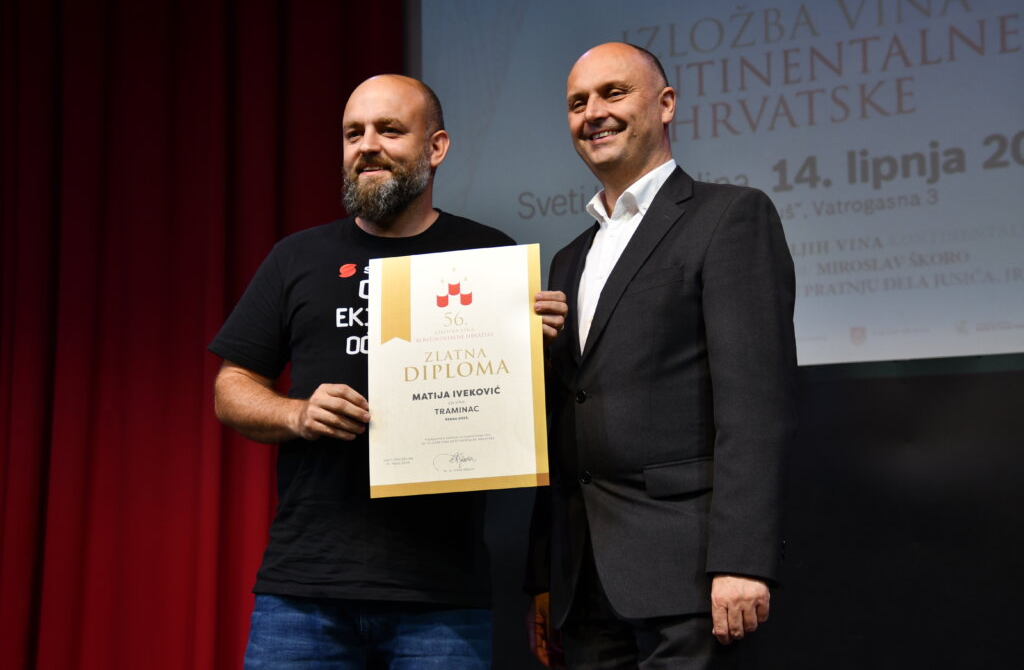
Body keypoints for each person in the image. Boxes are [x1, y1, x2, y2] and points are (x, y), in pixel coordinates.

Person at [209, 74, 566, 669]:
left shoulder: (488, 258)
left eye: (389, 130)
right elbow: (231, 388)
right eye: (354, 133)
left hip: (444, 595)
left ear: (436, 147)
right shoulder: (297, 258)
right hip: (306, 590)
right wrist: (298, 413)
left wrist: (543, 348)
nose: (367, 145)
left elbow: (529, 411)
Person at [528, 43, 798, 668]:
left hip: (690, 578)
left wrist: (742, 560)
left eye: (613, 93)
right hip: (585, 583)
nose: (593, 112)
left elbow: (756, 406)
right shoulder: (568, 259)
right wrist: (543, 576)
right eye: (577, 102)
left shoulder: (729, 217)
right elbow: (569, 418)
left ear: (666, 104)